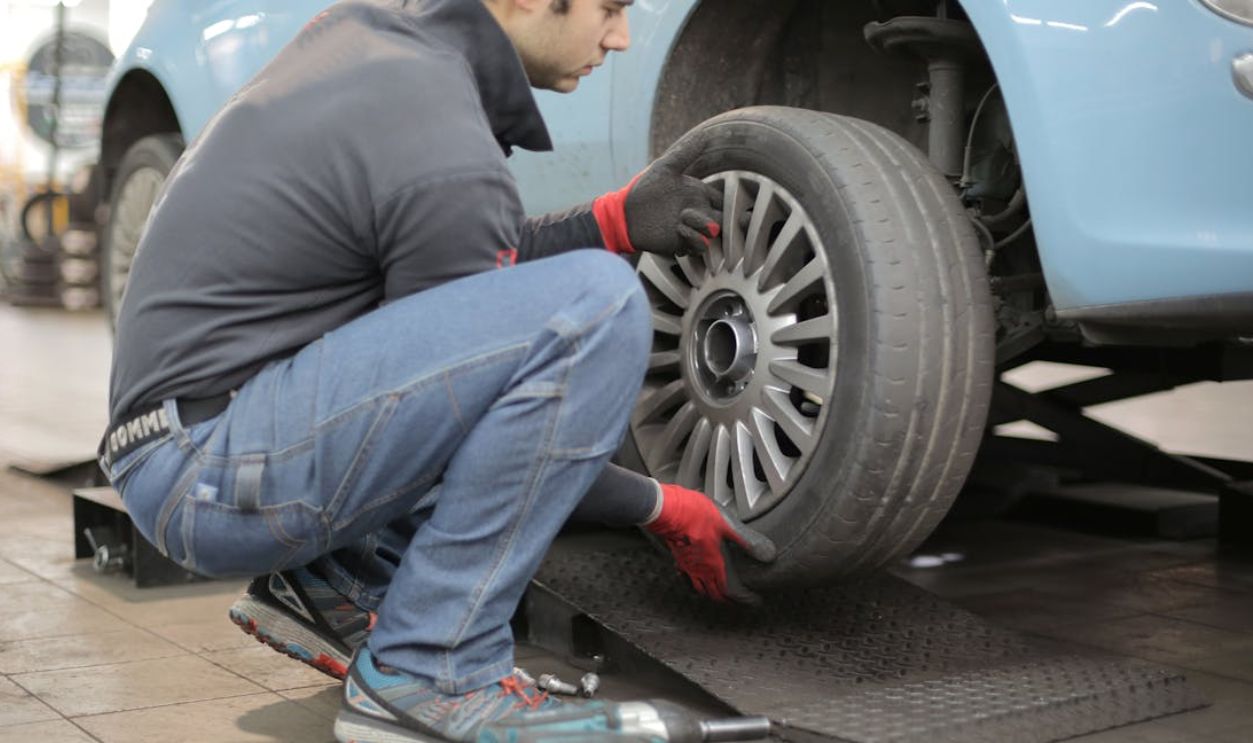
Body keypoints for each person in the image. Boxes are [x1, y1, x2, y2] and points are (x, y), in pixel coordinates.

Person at [98, 0, 775, 740]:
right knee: (597, 306)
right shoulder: (437, 126)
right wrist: (657, 504)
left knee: (547, 307)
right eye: (608, 8)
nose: (619, 37)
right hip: (214, 470)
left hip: (183, 446)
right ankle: (434, 668)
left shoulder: (391, 59)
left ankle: (338, 579)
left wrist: (608, 222)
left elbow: (454, 285)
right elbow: (473, 400)